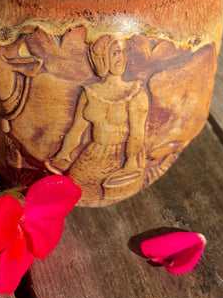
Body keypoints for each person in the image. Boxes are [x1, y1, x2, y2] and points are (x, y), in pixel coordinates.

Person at [47, 36, 149, 203]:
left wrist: (130, 162)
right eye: (115, 53)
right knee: (73, 187)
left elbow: (137, 133)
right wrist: (62, 155)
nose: (121, 59)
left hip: (121, 153)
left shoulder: (134, 93)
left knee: (87, 192)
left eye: (123, 53)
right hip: (95, 152)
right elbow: (76, 131)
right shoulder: (90, 93)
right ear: (102, 59)